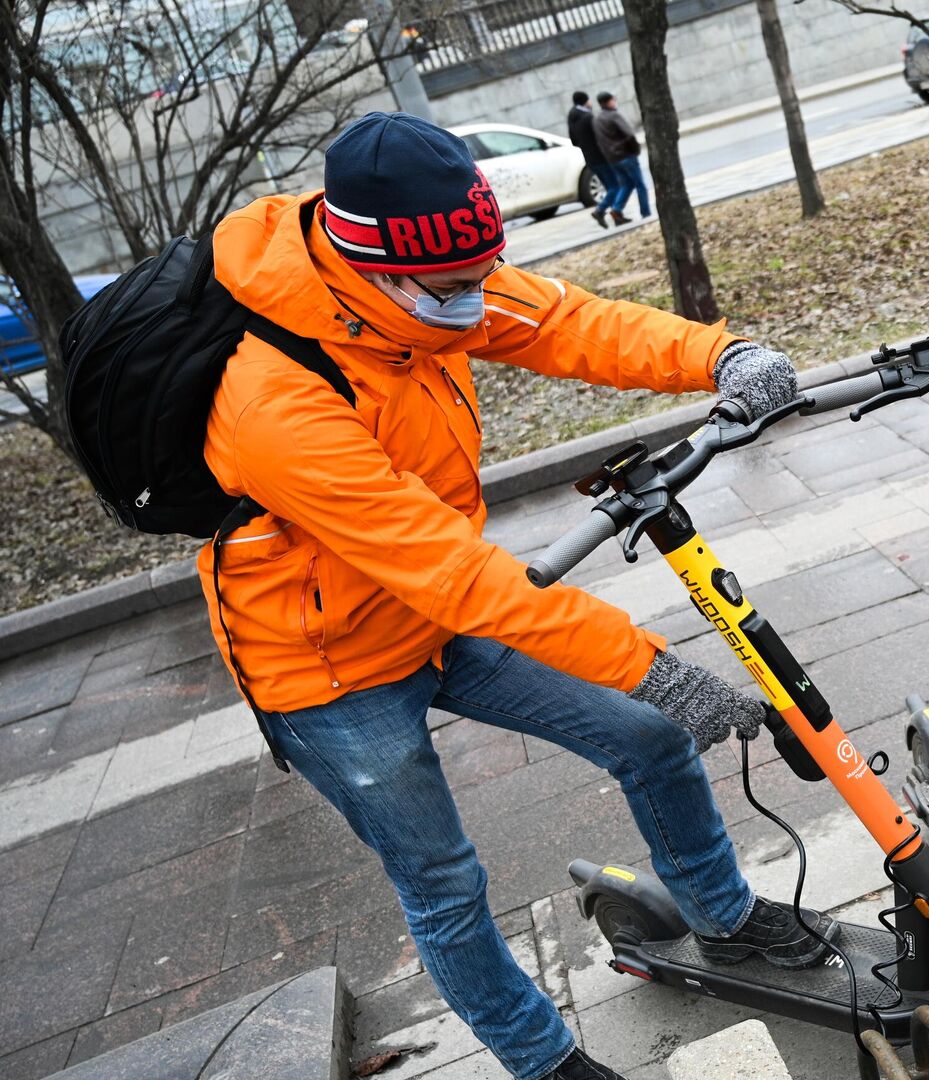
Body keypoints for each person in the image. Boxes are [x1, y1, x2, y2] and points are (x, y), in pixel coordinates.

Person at [202, 111, 815, 1080]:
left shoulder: (425, 283)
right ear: (378, 271)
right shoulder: (274, 397)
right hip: (329, 672)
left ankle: (725, 919)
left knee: (648, 739)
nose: (476, 305)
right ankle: (546, 1064)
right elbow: (452, 568)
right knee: (444, 883)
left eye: (482, 278)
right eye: (456, 290)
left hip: (439, 618)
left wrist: (717, 356)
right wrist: (654, 667)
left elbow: (568, 322)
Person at [592, 91, 651, 225]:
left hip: (612, 158)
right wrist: (635, 150)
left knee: (627, 184)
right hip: (625, 155)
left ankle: (616, 209)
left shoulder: (597, 119)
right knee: (640, 185)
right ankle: (646, 213)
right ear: (609, 101)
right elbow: (629, 134)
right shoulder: (614, 116)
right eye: (613, 100)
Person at [566, 90, 619, 229]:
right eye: (589, 100)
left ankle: (617, 215)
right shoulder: (588, 117)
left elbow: (574, 141)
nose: (591, 103)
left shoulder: (572, 117)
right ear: (585, 101)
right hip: (600, 157)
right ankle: (601, 210)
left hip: (589, 159)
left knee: (610, 187)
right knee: (615, 186)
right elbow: (601, 138)